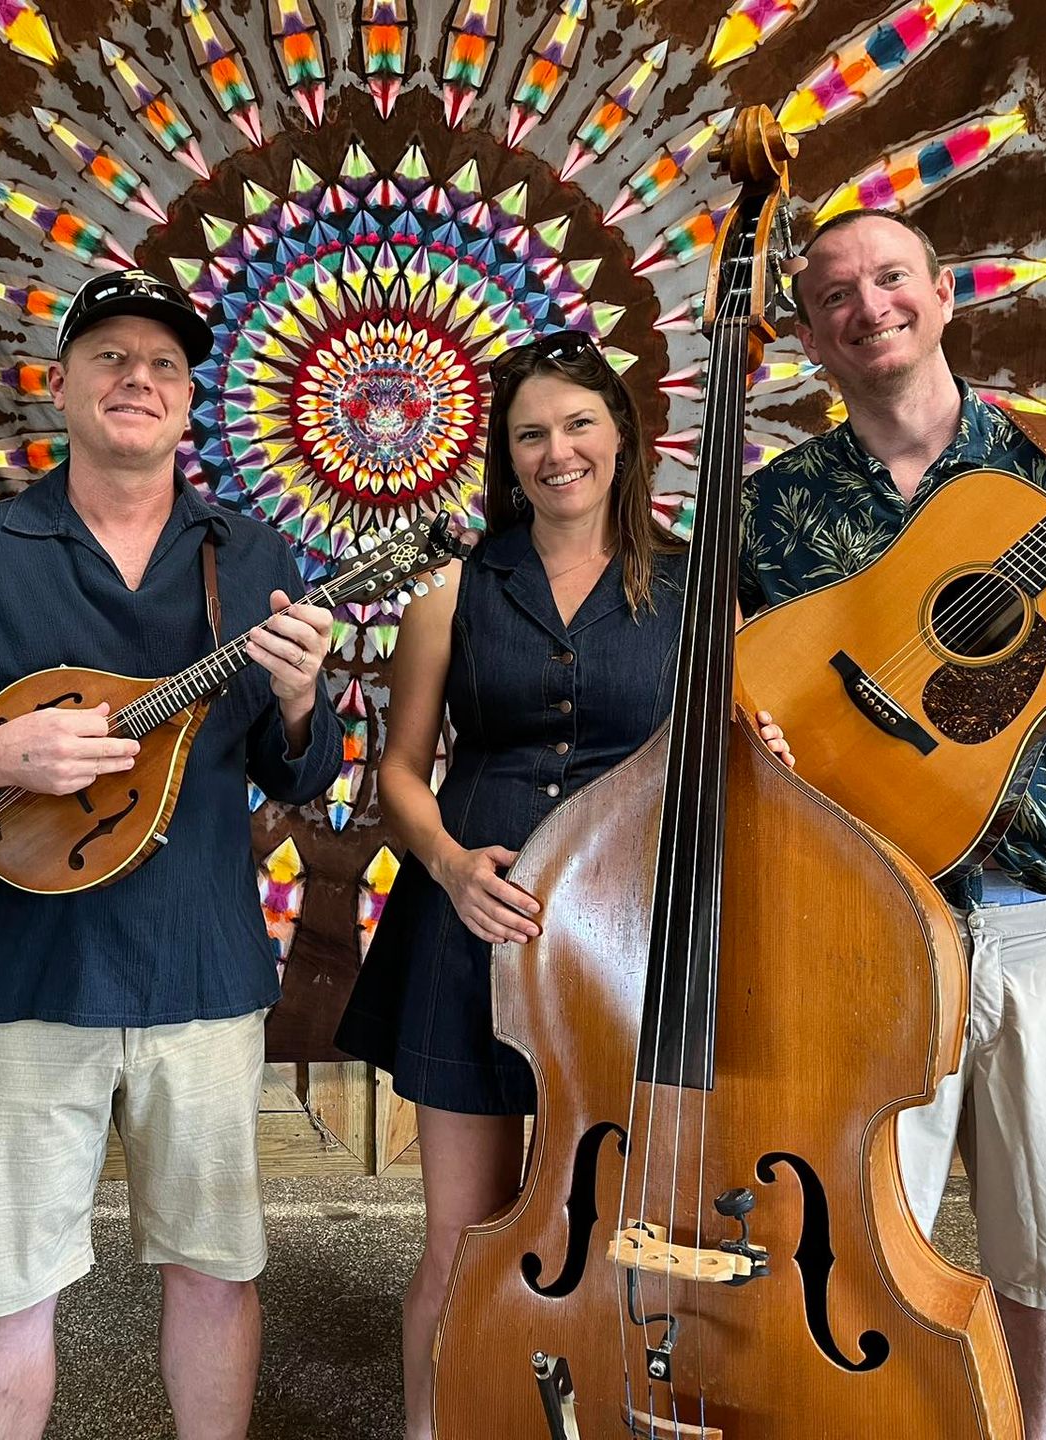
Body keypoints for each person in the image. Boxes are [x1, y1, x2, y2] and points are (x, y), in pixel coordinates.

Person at [742, 210, 1046, 1440]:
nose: (870, 305)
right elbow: (737, 691)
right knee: (859, 1231)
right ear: (808, 336)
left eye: (892, 277)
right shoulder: (778, 502)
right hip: (867, 915)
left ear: (943, 295)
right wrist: (759, 742)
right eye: (836, 293)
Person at [0, 269, 343, 1440]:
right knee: (11, 1284)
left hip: (202, 970)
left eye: (165, 365)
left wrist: (301, 698)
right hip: (24, 974)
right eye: (112, 356)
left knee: (217, 1270)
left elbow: (305, 773)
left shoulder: (255, 550)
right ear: (60, 386)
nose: (139, 378)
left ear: (191, 406)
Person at [334, 331, 791, 1439]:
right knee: (462, 1233)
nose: (556, 452)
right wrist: (446, 866)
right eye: (530, 433)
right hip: (473, 930)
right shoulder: (453, 583)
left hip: (635, 941)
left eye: (579, 424)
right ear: (505, 453)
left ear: (625, 438)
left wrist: (762, 746)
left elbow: (737, 757)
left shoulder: (699, 587)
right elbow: (397, 771)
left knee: (619, 1220)